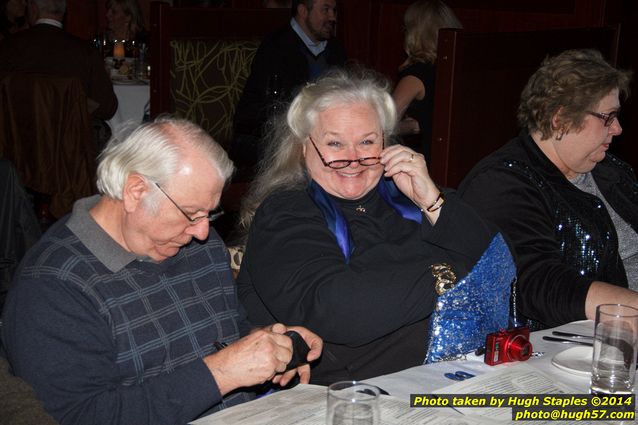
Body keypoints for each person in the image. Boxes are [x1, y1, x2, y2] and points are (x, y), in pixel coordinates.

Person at [1, 117, 322, 425]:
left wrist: (267, 344)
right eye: (191, 213)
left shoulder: (198, 246)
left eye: (209, 214)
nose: (202, 232)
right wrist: (222, 373)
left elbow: (227, 329)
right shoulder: (53, 287)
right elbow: (83, 416)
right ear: (135, 191)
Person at [235, 69, 508, 385]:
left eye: (366, 141)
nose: (353, 159)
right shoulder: (286, 211)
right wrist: (447, 274)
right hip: (354, 396)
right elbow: (340, 310)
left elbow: (501, 259)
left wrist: (432, 200)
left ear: (385, 141)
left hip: (456, 378)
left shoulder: (406, 194)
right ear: (303, 147)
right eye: (335, 143)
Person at [458, 49, 638, 329]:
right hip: (575, 347)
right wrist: (628, 310)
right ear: (560, 119)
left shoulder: (611, 170)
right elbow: (539, 283)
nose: (618, 129)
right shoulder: (502, 183)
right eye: (607, 117)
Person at [231, 0, 347, 173]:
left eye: (334, 10)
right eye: (325, 10)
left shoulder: (335, 49)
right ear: (303, 11)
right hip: (268, 137)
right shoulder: (276, 47)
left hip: (321, 134)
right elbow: (273, 108)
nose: (332, 17)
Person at [0, 0, 117, 121]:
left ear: (33, 9)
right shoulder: (86, 52)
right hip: (71, 138)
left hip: (18, 136)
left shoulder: (7, 47)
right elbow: (107, 109)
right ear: (64, 11)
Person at [392, 0, 461, 160]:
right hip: (460, 157)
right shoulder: (459, 69)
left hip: (430, 161)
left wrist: (414, 126)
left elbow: (385, 124)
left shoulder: (416, 75)